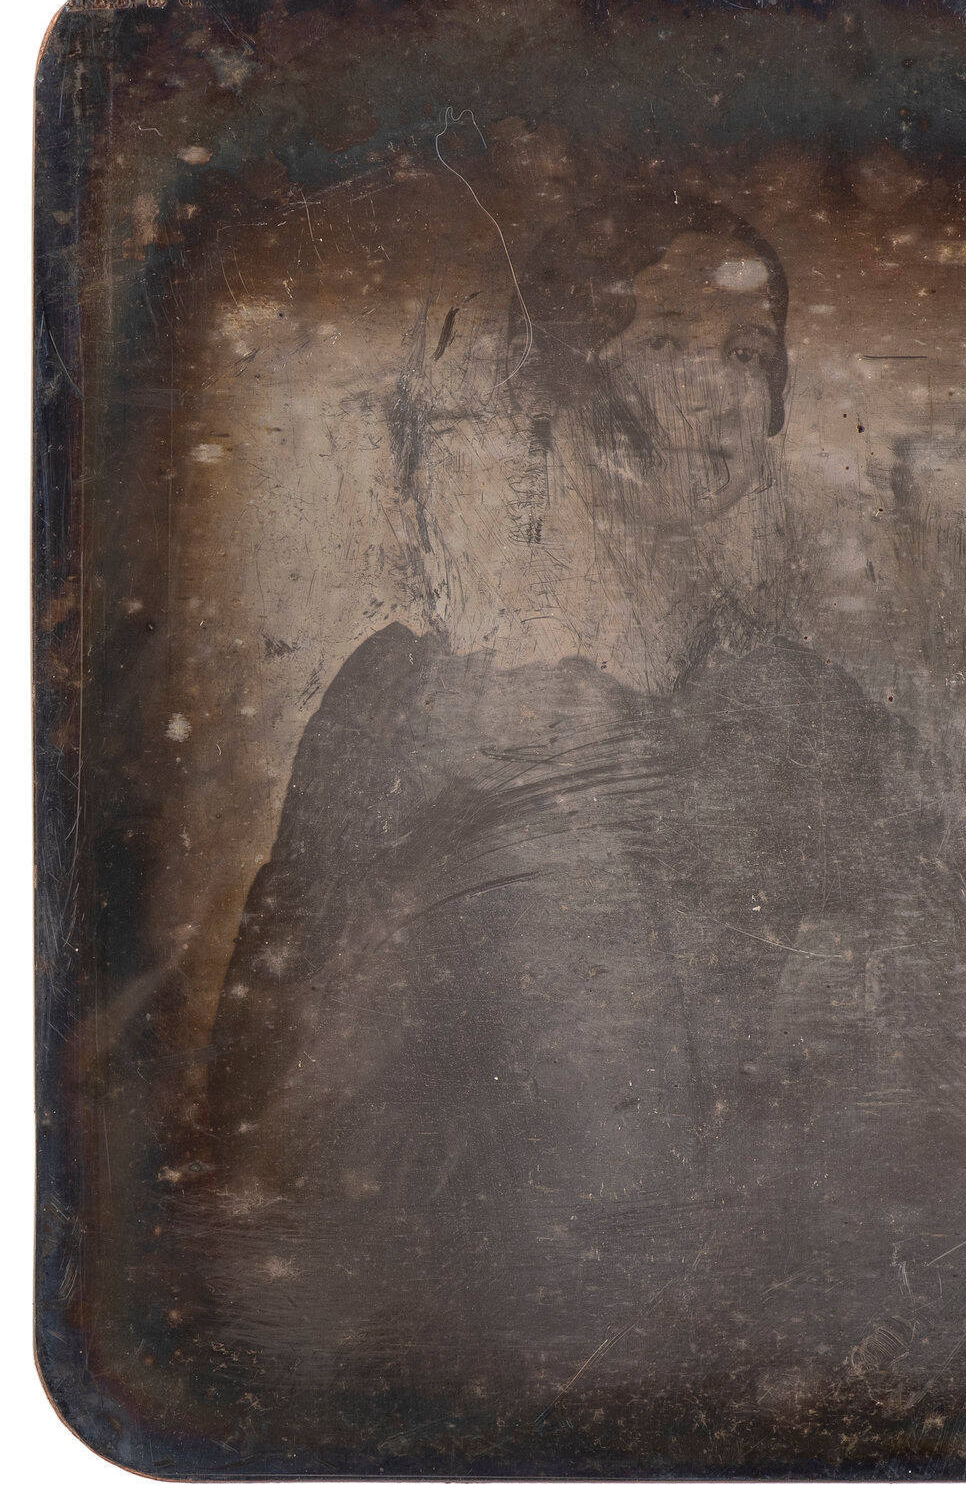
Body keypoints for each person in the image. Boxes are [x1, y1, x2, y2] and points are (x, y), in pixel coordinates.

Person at [194, 195, 927, 1440]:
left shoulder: (822, 723)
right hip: (436, 1359)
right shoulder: (404, 697)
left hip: (733, 1367)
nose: (715, 395)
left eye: (750, 357)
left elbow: (882, 1104)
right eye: (667, 345)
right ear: (568, 384)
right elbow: (266, 1100)